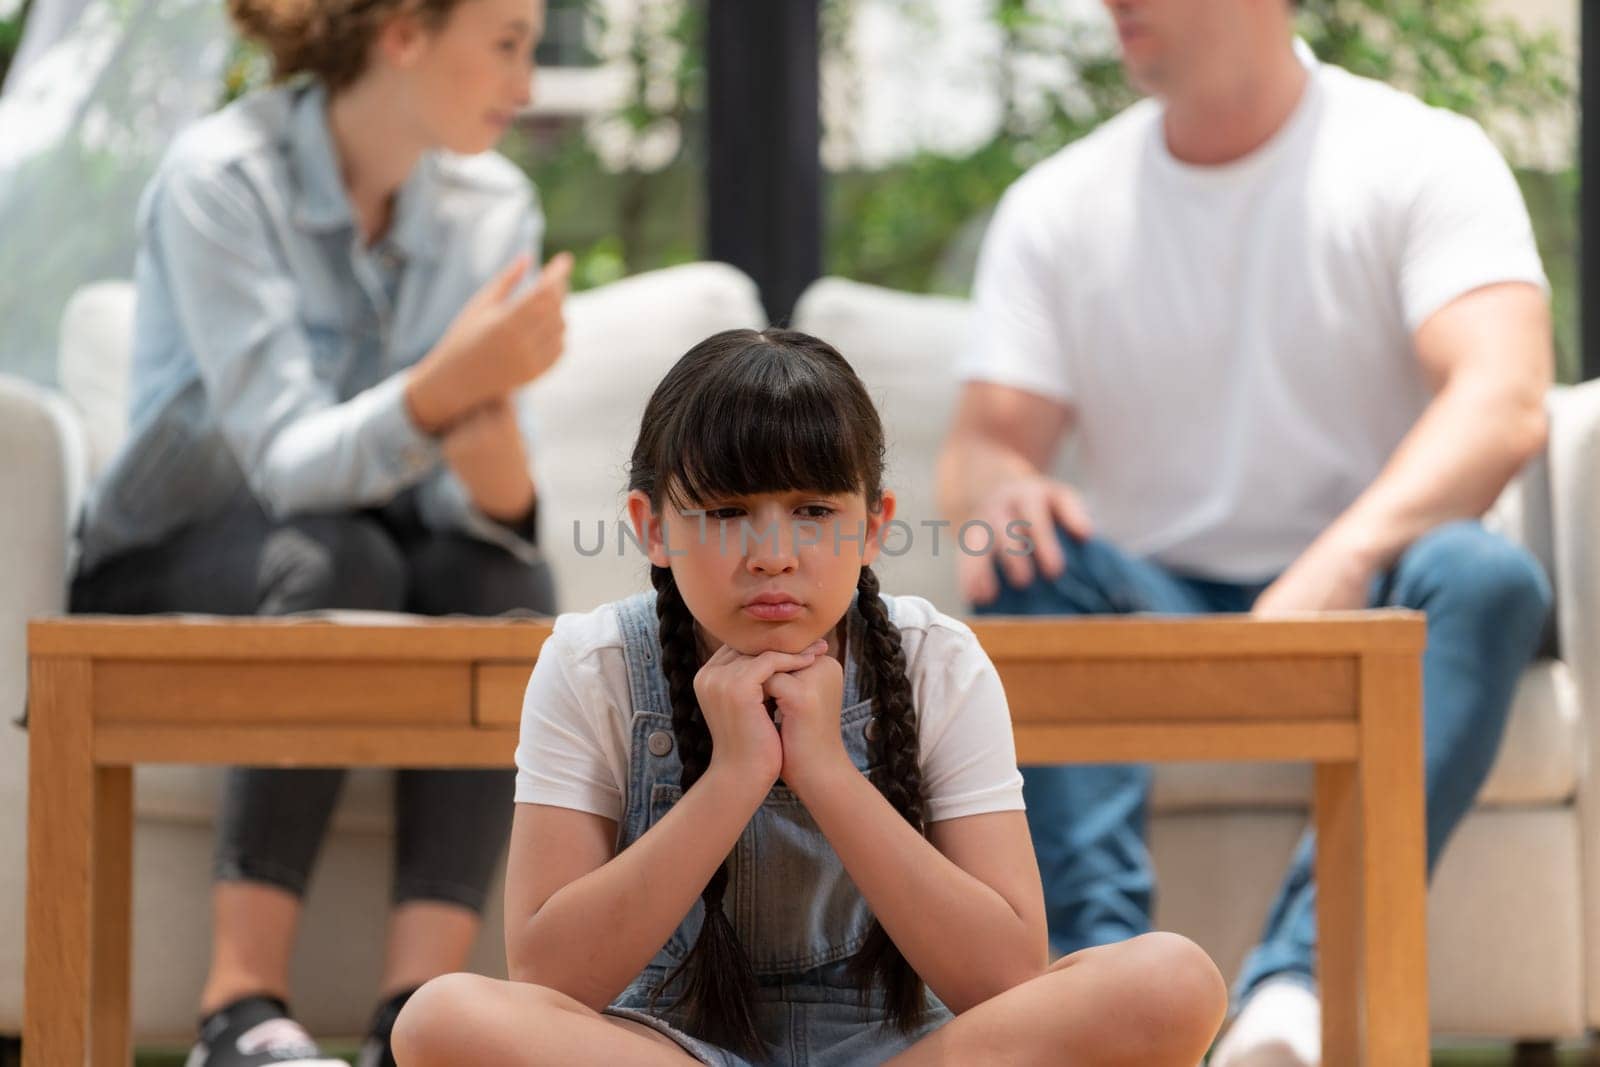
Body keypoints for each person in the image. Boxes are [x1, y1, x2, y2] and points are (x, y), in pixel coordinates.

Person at [937, 1, 1555, 1064]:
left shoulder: (1420, 155)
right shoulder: (1057, 203)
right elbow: (983, 444)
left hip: (1370, 585)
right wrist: (1000, 489)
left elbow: (1502, 399)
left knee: (1488, 574)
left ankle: (1290, 993)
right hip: (1150, 599)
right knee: (1023, 565)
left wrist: (1344, 558)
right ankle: (1106, 986)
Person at [388, 328, 1228, 1066]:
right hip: (668, 1045)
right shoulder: (591, 664)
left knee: (1170, 982)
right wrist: (734, 777)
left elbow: (1004, 975)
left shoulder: (941, 661)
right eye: (724, 512)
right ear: (650, 526)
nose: (773, 554)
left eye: (815, 509)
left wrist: (825, 767)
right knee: (439, 1020)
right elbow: (550, 978)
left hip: (906, 1046)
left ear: (874, 525)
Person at [65, 0, 571, 1062]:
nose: (526, 84)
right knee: (339, 553)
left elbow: (444, 494)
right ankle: (237, 1008)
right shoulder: (222, 178)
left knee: (498, 578)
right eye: (508, 43)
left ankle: (413, 1018)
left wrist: (502, 498)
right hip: (173, 553)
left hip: (374, 550)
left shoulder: (494, 206)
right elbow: (286, 460)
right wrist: (440, 393)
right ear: (403, 33)